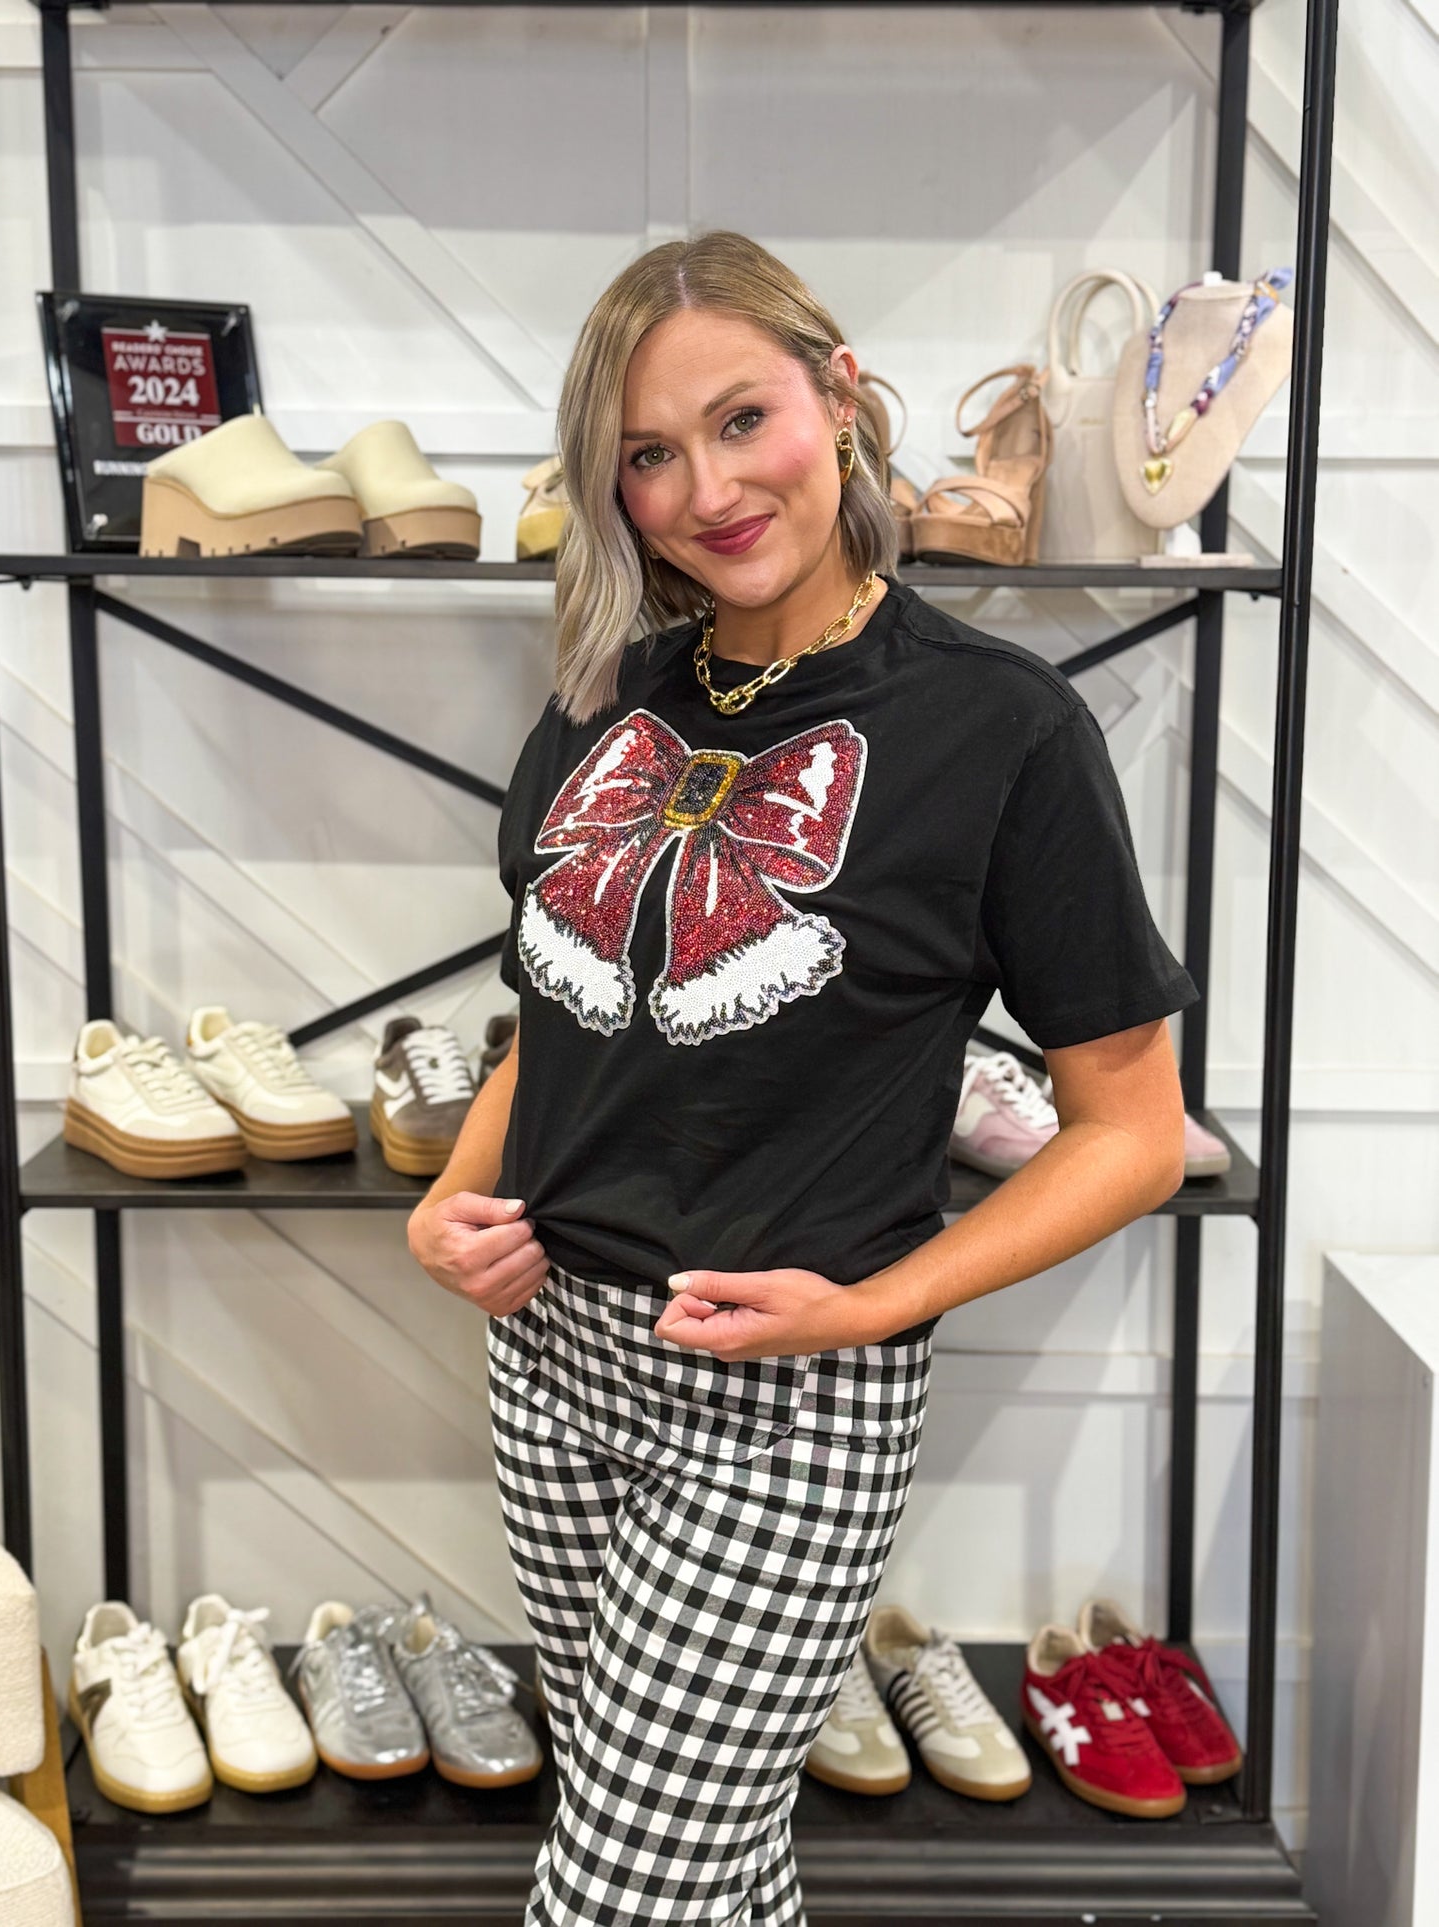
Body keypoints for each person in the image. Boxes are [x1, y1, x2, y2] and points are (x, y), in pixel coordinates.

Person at [407, 229, 1196, 1927]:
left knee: (619, 1891)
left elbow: (1130, 1134)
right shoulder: (606, 695)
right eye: (647, 455)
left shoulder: (997, 729)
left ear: (836, 398)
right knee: (707, 1870)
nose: (706, 487)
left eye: (739, 417)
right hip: (552, 1369)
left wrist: (872, 1306)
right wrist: (453, 1198)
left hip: (790, 1405)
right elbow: (552, 999)